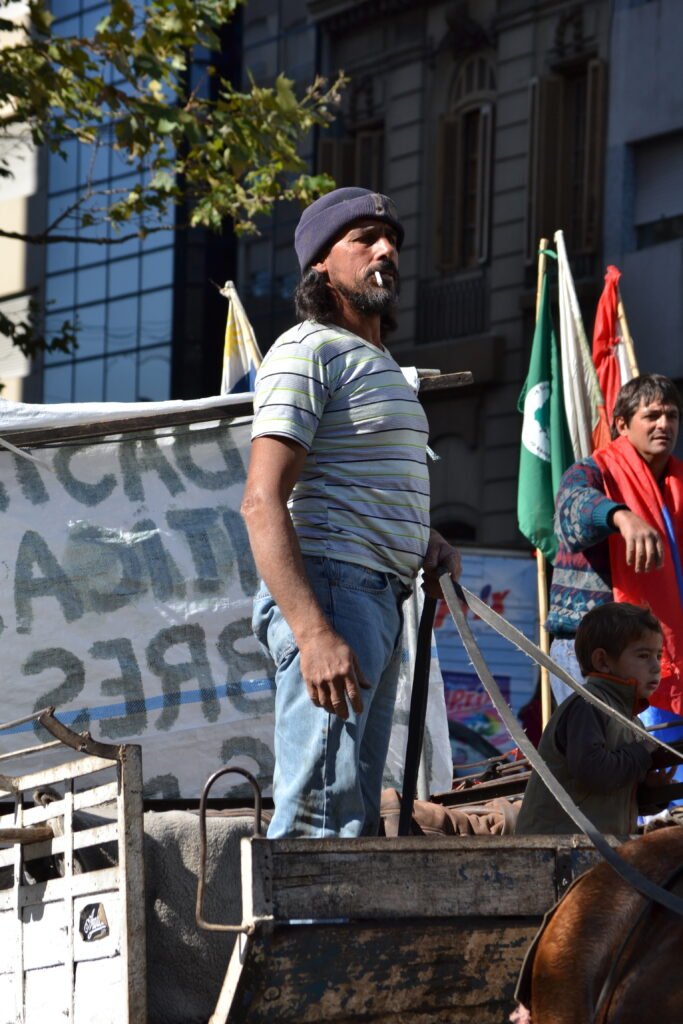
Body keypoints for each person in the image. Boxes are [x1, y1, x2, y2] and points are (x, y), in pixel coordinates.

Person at [240, 187, 461, 839]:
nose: (385, 250)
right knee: (319, 817)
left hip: (374, 598)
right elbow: (261, 500)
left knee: (353, 820)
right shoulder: (307, 350)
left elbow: (354, 479)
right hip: (333, 592)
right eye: (364, 239)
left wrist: (421, 537)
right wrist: (313, 634)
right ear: (320, 263)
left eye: (391, 240)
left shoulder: (380, 364)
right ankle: (290, 914)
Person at [546, 374, 683, 719]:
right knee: (603, 750)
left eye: (672, 415)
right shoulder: (591, 472)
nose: (664, 424)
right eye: (652, 416)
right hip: (593, 652)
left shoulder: (678, 485)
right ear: (622, 424)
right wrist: (620, 516)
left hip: (663, 653)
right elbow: (571, 510)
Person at [515, 602, 676, 836]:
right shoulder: (589, 706)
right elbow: (594, 773)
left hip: (597, 846)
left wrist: (652, 792)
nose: (656, 667)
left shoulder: (632, 721)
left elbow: (615, 797)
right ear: (602, 661)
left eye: (658, 656)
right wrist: (641, 753)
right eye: (643, 655)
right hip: (556, 846)